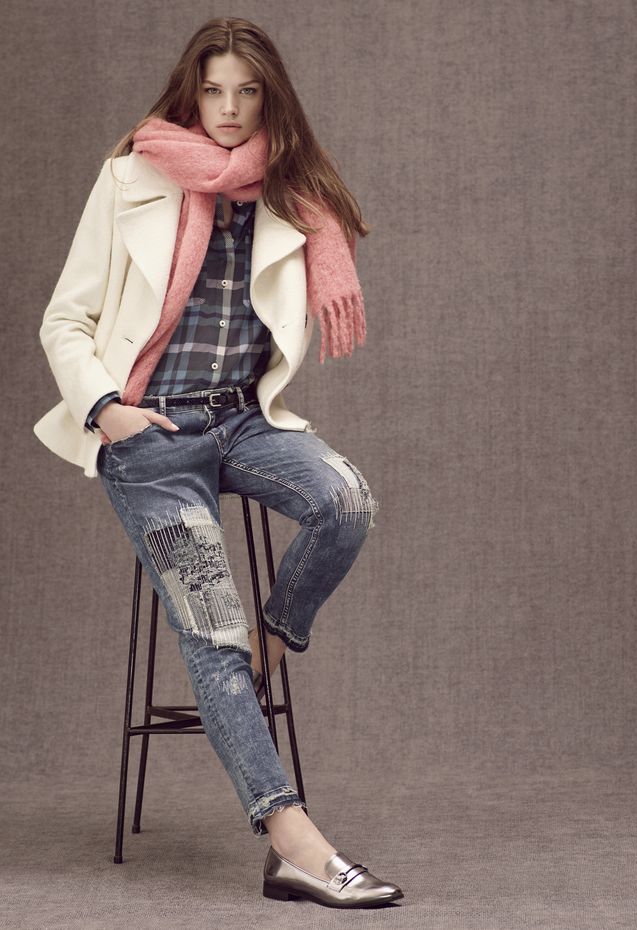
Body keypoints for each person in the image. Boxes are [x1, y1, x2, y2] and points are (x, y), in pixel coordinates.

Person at [34, 16, 403, 910]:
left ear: (270, 97)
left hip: (244, 421)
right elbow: (65, 320)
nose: (229, 109)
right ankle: (295, 844)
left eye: (247, 91)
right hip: (152, 444)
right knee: (211, 635)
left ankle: (267, 644)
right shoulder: (132, 176)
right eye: (213, 90)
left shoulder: (293, 190)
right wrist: (107, 410)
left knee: (347, 500)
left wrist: (275, 633)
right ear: (189, 93)